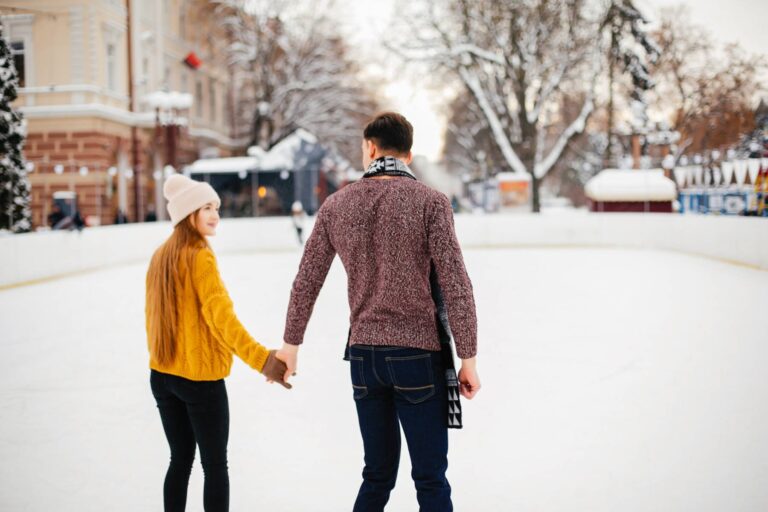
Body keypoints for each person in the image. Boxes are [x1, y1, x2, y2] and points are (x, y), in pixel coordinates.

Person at [278, 112, 480, 512]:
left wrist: (290, 346)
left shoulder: (337, 205)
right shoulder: (431, 203)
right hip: (418, 356)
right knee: (430, 477)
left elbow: (306, 281)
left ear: (370, 147)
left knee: (376, 474)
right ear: (408, 152)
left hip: (365, 357)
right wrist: (468, 357)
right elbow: (456, 284)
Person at [145, 174, 291, 512]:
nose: (215, 214)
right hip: (199, 381)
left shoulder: (160, 256)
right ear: (187, 213)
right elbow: (222, 320)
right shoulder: (200, 257)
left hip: (162, 376)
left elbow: (154, 319)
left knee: (180, 459)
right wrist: (263, 360)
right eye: (206, 207)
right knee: (214, 466)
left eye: (216, 207)